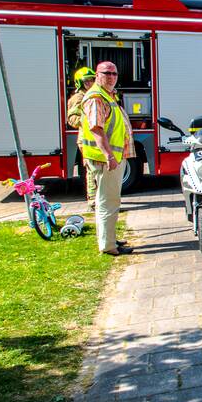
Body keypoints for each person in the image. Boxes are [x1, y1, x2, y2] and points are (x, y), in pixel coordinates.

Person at [79, 61, 135, 256]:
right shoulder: (96, 97)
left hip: (113, 158)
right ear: (97, 75)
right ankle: (108, 245)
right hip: (106, 161)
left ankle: (110, 238)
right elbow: (96, 128)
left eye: (114, 73)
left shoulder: (107, 95)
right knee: (107, 203)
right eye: (107, 73)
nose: (111, 77)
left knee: (111, 201)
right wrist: (109, 155)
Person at [67, 67, 97, 207]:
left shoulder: (93, 95)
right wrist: (89, 119)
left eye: (92, 80)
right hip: (86, 139)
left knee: (98, 169)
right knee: (91, 169)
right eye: (87, 81)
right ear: (79, 83)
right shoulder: (78, 98)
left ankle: (100, 199)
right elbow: (72, 119)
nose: (90, 83)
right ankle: (93, 200)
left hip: (96, 137)